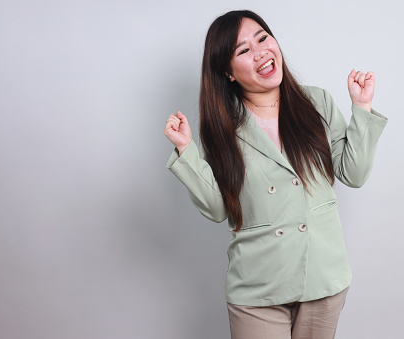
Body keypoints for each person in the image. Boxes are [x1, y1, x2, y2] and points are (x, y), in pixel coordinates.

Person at [164, 10, 387, 339]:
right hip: (259, 286)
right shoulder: (224, 128)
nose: (260, 52)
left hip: (322, 277)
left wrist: (362, 108)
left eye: (262, 38)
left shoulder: (317, 102)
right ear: (227, 72)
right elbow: (217, 207)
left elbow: (352, 173)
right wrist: (186, 151)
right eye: (243, 50)